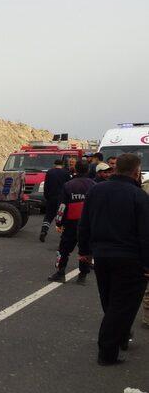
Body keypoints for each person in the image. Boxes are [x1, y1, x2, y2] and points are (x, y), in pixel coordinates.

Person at [78, 153, 149, 365]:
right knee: (122, 305)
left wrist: (84, 251)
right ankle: (108, 351)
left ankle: (120, 338)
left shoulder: (96, 190)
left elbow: (85, 223)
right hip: (130, 258)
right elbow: (145, 234)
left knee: (110, 301)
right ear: (136, 172)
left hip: (102, 256)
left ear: (115, 168)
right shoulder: (139, 196)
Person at [47, 160, 95, 283]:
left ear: (75, 170)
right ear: (88, 170)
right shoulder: (94, 185)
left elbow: (62, 206)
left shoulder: (68, 185)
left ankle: (60, 273)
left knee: (63, 249)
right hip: (88, 224)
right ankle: (82, 276)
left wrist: (58, 222)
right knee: (86, 250)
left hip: (71, 223)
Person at [39, 159, 71, 242]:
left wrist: (46, 196)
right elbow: (68, 186)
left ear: (54, 164)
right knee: (63, 217)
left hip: (51, 197)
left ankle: (44, 231)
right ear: (63, 165)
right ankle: (64, 236)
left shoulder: (49, 172)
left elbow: (46, 185)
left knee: (48, 216)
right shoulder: (66, 173)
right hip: (62, 198)